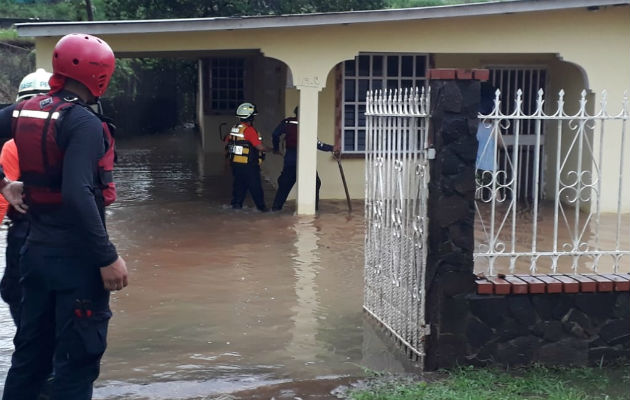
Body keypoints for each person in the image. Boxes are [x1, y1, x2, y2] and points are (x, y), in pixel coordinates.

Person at [1, 33, 127, 399]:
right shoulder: (82, 122)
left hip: (34, 255)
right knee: (76, 362)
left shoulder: (27, 110)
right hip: (76, 261)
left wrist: (5, 184)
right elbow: (77, 194)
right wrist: (107, 257)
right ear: (100, 74)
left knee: (30, 358)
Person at [271, 106, 338, 211]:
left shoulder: (287, 122)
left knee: (285, 185)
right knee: (315, 184)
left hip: (290, 158)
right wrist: (332, 148)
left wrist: (276, 148)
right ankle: (313, 210)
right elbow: (318, 144)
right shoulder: (307, 125)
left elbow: (275, 134)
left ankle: (275, 209)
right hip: (305, 159)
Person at [225, 102, 268, 211]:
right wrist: (271, 149)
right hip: (249, 165)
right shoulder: (249, 130)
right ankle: (263, 210)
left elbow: (227, 142)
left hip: (236, 165)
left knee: (239, 188)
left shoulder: (234, 128)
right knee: (256, 189)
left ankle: (236, 207)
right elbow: (259, 147)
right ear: (250, 117)